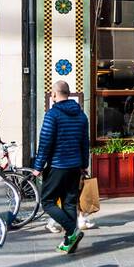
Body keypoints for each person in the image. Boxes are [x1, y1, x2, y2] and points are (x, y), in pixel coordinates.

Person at [31, 80, 89, 255]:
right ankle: (69, 242)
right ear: (69, 93)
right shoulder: (81, 115)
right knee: (69, 203)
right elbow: (84, 143)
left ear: (54, 94)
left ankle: (72, 230)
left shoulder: (52, 115)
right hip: (75, 167)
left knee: (47, 202)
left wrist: (38, 166)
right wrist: (83, 165)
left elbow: (45, 143)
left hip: (58, 166)